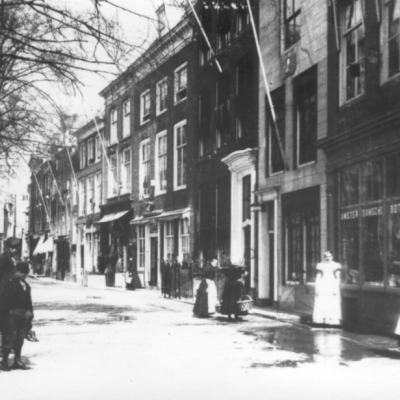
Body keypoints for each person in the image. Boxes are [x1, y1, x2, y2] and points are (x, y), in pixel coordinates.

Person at [0, 262, 34, 371]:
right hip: (12, 316)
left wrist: (30, 317)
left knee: (20, 338)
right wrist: (4, 319)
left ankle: (17, 360)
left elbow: (29, 303)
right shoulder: (9, 285)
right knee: (9, 338)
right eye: (21, 272)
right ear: (17, 272)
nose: (24, 275)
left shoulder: (27, 286)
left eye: (26, 273)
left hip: (24, 316)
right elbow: (3, 303)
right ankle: (4, 362)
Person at [312, 250, 342, 326]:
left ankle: (332, 320)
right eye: (326, 256)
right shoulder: (321, 265)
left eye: (329, 256)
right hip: (323, 284)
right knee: (323, 301)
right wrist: (317, 288)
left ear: (332, 256)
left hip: (332, 284)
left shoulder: (336, 265)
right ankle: (321, 319)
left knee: (332, 301)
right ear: (324, 257)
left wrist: (335, 287)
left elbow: (338, 278)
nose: (328, 258)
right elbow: (318, 277)